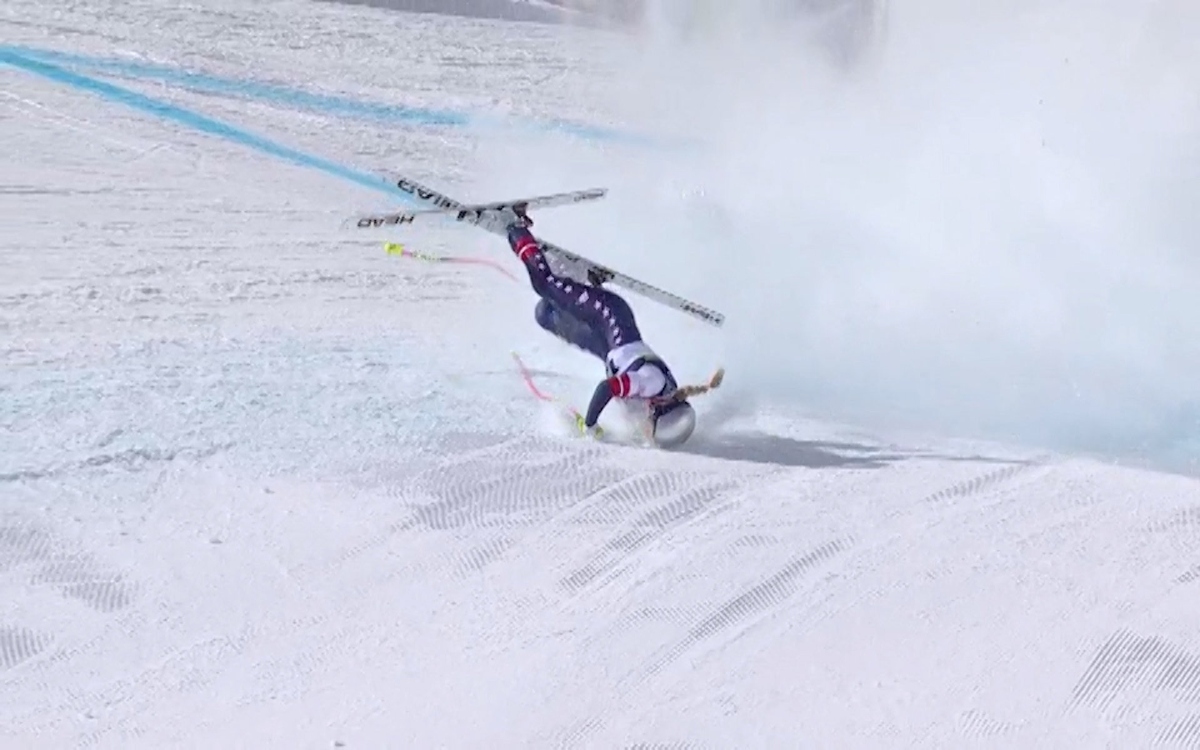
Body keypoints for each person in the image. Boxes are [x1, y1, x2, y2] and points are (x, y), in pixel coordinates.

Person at [503, 205, 697, 446]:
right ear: (659, 410)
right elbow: (607, 388)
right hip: (609, 315)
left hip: (606, 344)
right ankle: (516, 226)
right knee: (545, 285)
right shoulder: (652, 383)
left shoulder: (656, 400)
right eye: (654, 430)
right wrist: (590, 424)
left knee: (546, 315)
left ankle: (581, 280)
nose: (649, 433)